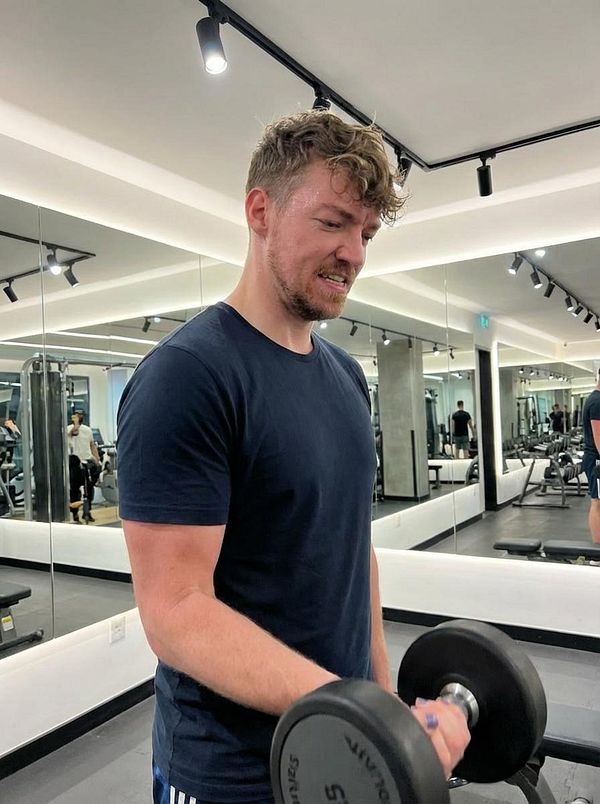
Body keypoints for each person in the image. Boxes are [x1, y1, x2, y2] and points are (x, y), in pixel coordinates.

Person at [117, 111, 470, 804]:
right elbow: (176, 612)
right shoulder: (190, 376)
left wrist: (378, 699)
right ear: (260, 212)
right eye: (335, 222)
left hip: (339, 746)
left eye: (366, 233)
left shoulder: (346, 378)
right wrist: (357, 713)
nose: (357, 254)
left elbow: (351, 551)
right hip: (230, 772)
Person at [67, 411, 101, 523]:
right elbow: (74, 433)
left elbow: (92, 445)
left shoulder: (87, 430)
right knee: (74, 489)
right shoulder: (69, 428)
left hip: (87, 461)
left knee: (89, 488)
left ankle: (87, 512)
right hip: (75, 462)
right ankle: (75, 513)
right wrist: (75, 423)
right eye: (76, 415)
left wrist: (97, 459)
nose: (78, 417)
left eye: (80, 415)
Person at [581, 370, 600, 545]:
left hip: (594, 458)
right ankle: (597, 551)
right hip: (596, 459)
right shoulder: (597, 401)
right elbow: (599, 436)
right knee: (597, 502)